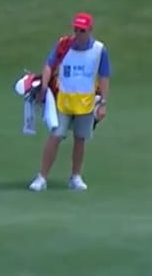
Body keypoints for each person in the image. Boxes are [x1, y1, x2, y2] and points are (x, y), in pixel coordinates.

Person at [29, 12, 110, 192]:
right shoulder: (64, 45)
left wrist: (103, 103)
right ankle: (42, 177)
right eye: (76, 30)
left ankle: (75, 176)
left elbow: (104, 76)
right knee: (55, 136)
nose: (78, 34)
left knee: (80, 139)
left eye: (82, 30)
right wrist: (43, 87)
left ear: (90, 30)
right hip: (63, 101)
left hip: (85, 103)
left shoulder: (99, 50)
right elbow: (49, 65)